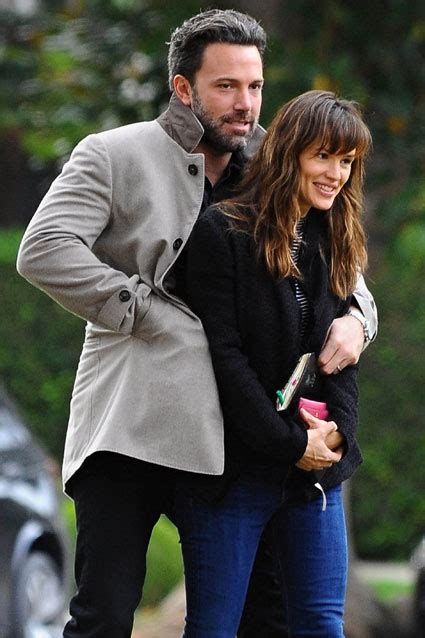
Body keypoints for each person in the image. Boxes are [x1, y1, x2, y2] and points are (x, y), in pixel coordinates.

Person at [16, 9, 376, 637]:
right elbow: (44, 248)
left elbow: (338, 267)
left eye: (255, 86)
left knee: (259, 619)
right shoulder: (112, 152)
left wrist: (358, 321)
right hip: (131, 425)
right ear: (183, 88)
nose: (245, 104)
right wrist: (149, 310)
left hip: (237, 441)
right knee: (104, 613)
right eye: (226, 86)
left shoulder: (275, 161)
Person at [175, 89, 373, 637]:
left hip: (314, 474)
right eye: (324, 156)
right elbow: (222, 355)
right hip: (234, 473)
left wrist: (335, 438)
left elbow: (341, 356)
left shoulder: (334, 237)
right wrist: (290, 442)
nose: (336, 173)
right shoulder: (224, 231)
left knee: (321, 624)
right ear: (289, 155)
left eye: (347, 161)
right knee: (216, 627)